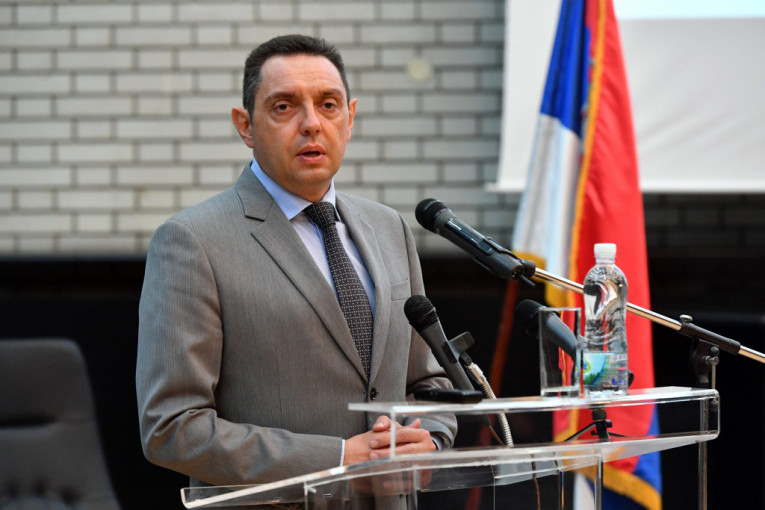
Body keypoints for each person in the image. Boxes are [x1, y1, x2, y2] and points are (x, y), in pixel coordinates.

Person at [136, 34, 457, 492]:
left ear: (350, 118)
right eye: (284, 107)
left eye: (328, 105)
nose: (311, 124)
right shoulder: (193, 241)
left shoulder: (390, 228)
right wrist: (339, 461)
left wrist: (431, 441)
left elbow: (430, 381)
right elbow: (172, 428)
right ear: (245, 126)